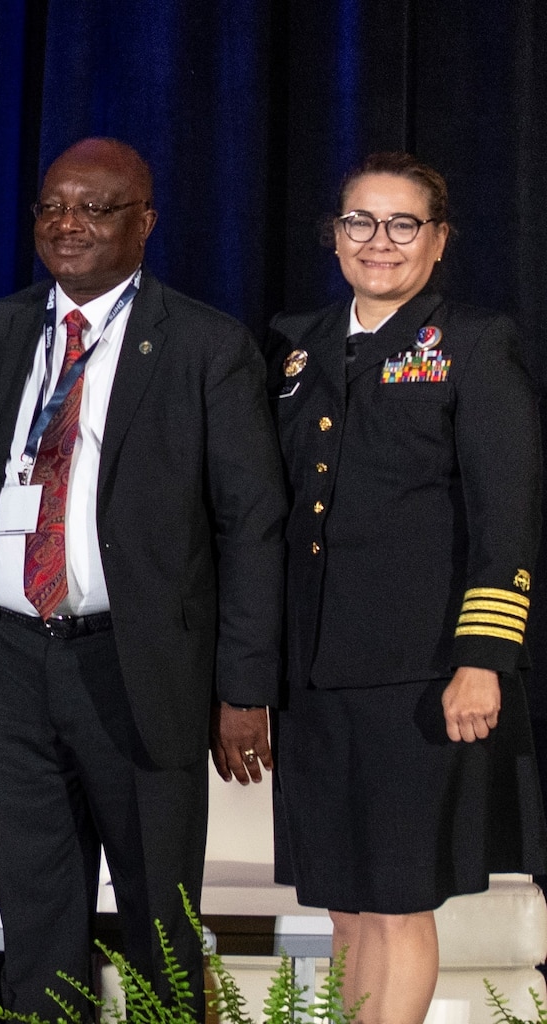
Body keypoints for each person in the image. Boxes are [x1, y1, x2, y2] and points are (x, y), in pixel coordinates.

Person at [0, 137, 286, 1016]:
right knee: (35, 919)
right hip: (17, 665)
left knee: (157, 923)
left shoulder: (206, 346)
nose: (69, 225)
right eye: (53, 206)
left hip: (138, 670)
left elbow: (251, 526)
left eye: (96, 208)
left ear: (145, 224)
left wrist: (243, 685)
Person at [267, 152, 547, 1024]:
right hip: (314, 673)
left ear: (438, 241)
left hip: (417, 675)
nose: (378, 242)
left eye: (402, 225)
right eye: (360, 222)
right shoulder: (296, 345)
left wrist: (483, 659)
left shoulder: (473, 342)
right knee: (344, 907)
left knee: (396, 902)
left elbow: (509, 519)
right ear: (334, 235)